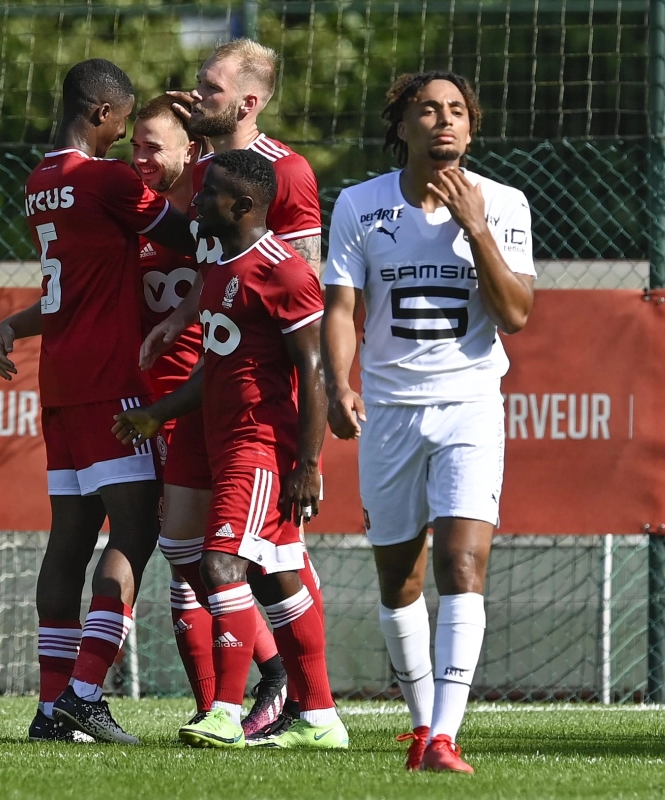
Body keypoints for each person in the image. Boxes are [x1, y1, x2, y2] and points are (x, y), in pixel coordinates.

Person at [322, 71, 536, 773]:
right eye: (428, 110)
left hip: (471, 402)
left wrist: (474, 228)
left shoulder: (503, 205)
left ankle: (445, 735)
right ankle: (421, 728)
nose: (444, 121)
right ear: (403, 127)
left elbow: (516, 314)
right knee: (400, 582)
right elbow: (343, 311)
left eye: (456, 112)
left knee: (462, 564)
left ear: (470, 130)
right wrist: (338, 383)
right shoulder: (359, 205)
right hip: (387, 411)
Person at [113, 149, 348, 750]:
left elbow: (313, 371)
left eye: (208, 193)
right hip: (220, 440)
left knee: (223, 566)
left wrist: (307, 465)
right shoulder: (221, 270)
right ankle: (319, 717)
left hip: (261, 445)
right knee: (277, 578)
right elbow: (214, 371)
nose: (194, 203)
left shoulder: (287, 273)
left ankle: (224, 710)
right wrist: (156, 416)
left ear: (242, 205)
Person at [0, 58, 193, 745]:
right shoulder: (104, 180)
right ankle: (85, 693)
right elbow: (188, 233)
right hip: (111, 379)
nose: (129, 138)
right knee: (135, 532)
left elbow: (69, 288)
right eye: (127, 121)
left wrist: (18, 322)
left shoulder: (40, 180)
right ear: (104, 113)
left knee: (69, 541)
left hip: (61, 383)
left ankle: (50, 710)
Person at [139, 37, 325, 738]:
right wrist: (182, 317)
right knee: (185, 547)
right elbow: (221, 266)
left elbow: (301, 288)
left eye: (209, 89)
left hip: (259, 401)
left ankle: (299, 699)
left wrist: (312, 418)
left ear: (249, 102)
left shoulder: (287, 172)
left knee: (274, 555)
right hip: (205, 383)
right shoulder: (211, 168)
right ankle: (257, 682)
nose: (194, 95)